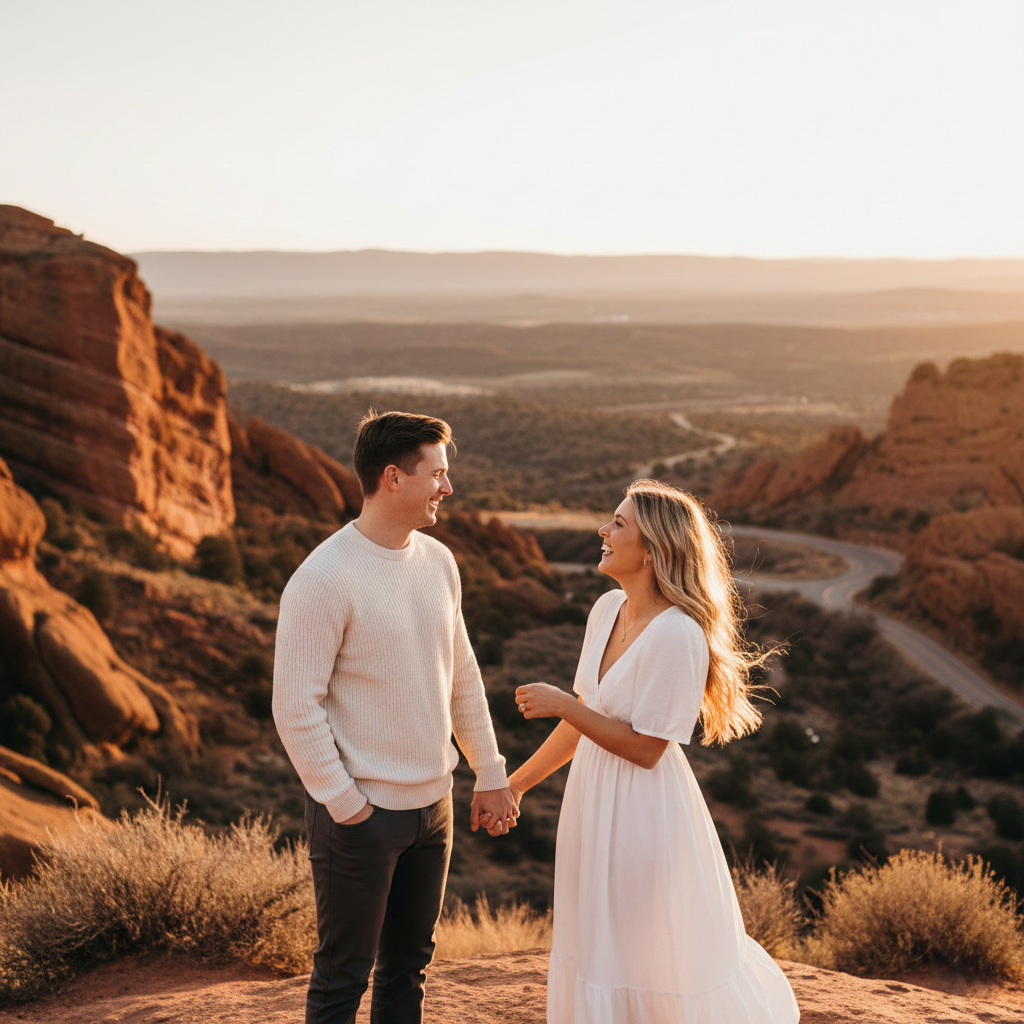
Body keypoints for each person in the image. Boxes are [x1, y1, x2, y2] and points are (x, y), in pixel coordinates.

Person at [511, 479, 800, 1023]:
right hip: (592, 805)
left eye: (617, 523)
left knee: (641, 954)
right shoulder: (605, 610)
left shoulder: (677, 634)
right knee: (596, 941)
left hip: (642, 814)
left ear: (652, 550)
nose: (603, 529)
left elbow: (645, 748)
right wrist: (516, 786)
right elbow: (585, 721)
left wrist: (562, 704)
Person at [273, 410, 519, 1024]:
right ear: (392, 478)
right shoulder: (323, 578)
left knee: (408, 969)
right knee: (341, 979)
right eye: (437, 473)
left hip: (433, 810)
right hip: (362, 816)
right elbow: (295, 706)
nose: (447, 486)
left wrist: (489, 771)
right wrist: (346, 804)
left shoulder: (438, 562)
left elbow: (460, 672)